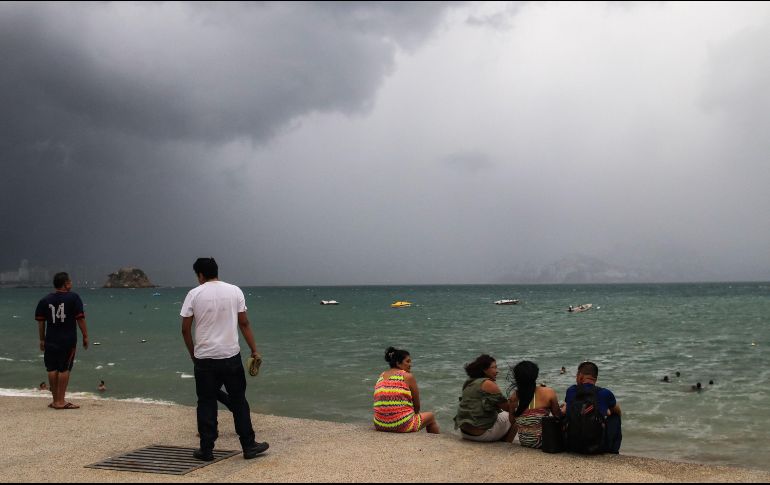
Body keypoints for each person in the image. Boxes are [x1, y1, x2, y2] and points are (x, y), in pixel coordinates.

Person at [180, 257, 268, 461]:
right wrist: (254, 350)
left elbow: (185, 329)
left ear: (200, 275)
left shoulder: (194, 294)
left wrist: (193, 354)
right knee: (239, 401)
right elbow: (244, 323)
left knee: (206, 403)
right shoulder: (235, 291)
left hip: (204, 359)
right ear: (216, 271)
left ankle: (206, 450)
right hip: (230, 357)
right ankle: (248, 446)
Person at [34, 272, 89, 410]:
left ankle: (55, 400)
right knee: (64, 369)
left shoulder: (44, 300)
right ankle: (61, 401)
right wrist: (85, 336)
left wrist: (41, 339)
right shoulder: (74, 298)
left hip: (50, 339)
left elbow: (41, 322)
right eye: (70, 281)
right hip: (67, 340)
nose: (71, 283)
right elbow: (80, 318)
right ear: (65, 284)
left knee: (52, 368)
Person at [373, 347, 439, 434]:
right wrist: (414, 416)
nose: (410, 364)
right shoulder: (407, 376)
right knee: (431, 416)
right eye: (407, 361)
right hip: (402, 425)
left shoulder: (382, 375)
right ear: (398, 363)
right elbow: (417, 405)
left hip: (379, 424)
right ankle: (436, 441)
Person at [562, 361, 622, 454]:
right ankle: (613, 451)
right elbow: (617, 411)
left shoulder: (571, 390)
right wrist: (607, 411)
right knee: (615, 416)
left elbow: (567, 410)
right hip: (596, 448)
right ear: (595, 378)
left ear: (580, 376)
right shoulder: (605, 393)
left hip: (573, 445)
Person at [454, 354, 514, 442]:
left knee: (500, 415)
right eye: (494, 367)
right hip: (480, 435)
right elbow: (508, 408)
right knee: (514, 415)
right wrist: (515, 398)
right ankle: (507, 444)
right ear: (484, 369)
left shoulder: (469, 382)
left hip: (465, 433)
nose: (497, 371)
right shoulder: (488, 383)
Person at [507, 361, 562, 448]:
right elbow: (558, 417)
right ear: (535, 376)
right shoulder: (548, 392)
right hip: (544, 443)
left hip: (525, 442)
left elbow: (512, 420)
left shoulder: (513, 397)